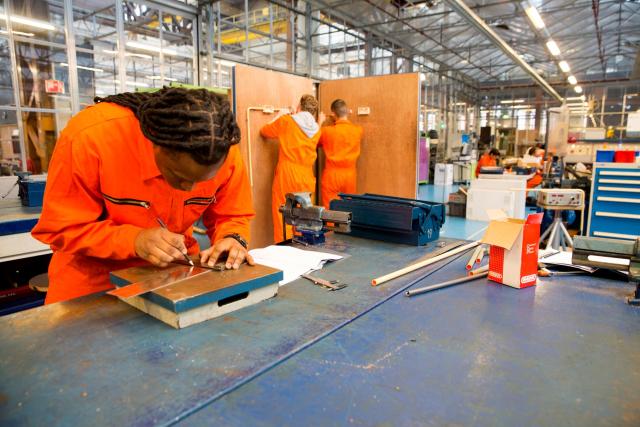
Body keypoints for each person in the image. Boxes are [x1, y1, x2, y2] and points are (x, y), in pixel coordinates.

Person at [32, 88, 255, 304]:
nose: (189, 189)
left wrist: (232, 238)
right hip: (93, 284)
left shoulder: (218, 147)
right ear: (155, 145)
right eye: (179, 176)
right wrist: (133, 240)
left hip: (175, 275)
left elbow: (232, 214)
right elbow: (62, 228)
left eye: (203, 181)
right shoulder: (90, 137)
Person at [260, 94, 321, 242]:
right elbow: (302, 127)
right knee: (304, 215)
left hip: (288, 173)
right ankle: (304, 248)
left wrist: (280, 115)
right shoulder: (317, 129)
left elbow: (264, 131)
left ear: (299, 107)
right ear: (313, 112)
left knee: (283, 214)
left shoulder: (286, 121)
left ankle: (284, 251)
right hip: (307, 175)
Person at [318, 99, 363, 208]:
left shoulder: (326, 131)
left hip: (332, 175)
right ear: (347, 112)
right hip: (349, 176)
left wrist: (320, 122)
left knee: (330, 210)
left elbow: (314, 141)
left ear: (333, 114)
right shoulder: (358, 130)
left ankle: (331, 225)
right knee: (348, 209)